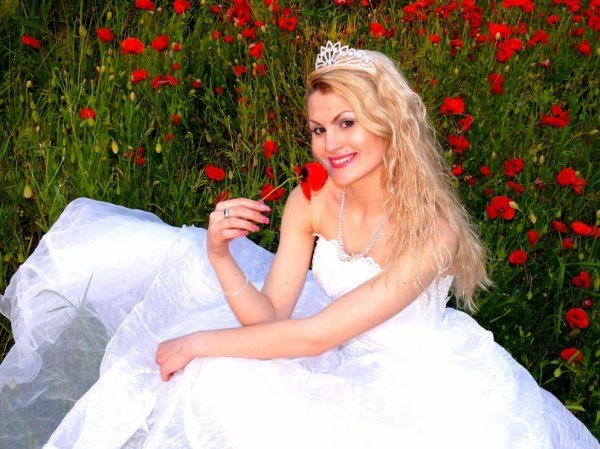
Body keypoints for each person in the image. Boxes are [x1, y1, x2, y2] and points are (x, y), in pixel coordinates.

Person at [0, 41, 597, 449]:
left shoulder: (433, 231)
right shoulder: (309, 200)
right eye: (318, 128)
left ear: (388, 123)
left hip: (420, 385)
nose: (330, 144)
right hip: (330, 352)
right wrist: (219, 255)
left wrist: (196, 340)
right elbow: (271, 318)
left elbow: (315, 335)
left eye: (347, 123)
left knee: (210, 358)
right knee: (216, 378)